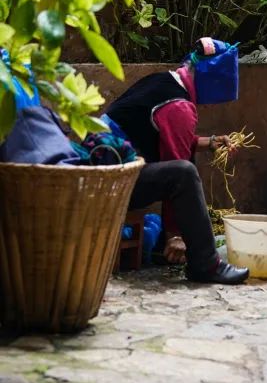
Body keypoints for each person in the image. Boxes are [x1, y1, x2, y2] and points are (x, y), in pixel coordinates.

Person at [103, 38, 249, 285]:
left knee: (180, 172)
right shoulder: (179, 106)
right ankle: (205, 264)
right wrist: (176, 234)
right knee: (184, 173)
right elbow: (176, 163)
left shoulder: (162, 82)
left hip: (104, 171)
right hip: (110, 182)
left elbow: (158, 137)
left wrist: (208, 142)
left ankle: (170, 249)